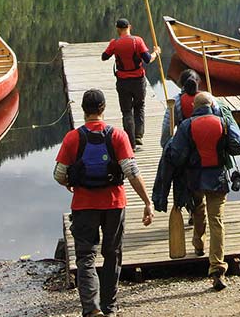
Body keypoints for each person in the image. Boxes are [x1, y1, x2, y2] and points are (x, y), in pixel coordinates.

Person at [53, 89, 153, 317]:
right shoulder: (118, 136)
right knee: (112, 254)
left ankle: (91, 309)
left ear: (83, 110)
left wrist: (69, 183)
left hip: (83, 205)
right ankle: (109, 308)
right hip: (114, 203)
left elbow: (59, 173)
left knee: (86, 257)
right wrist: (147, 202)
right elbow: (131, 171)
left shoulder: (73, 138)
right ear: (103, 109)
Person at [155, 91, 240, 291]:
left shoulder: (186, 126)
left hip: (194, 179)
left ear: (194, 107)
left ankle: (198, 244)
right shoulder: (222, 121)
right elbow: (238, 145)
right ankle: (217, 268)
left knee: (197, 211)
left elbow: (176, 156)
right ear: (212, 105)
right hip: (218, 179)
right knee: (217, 221)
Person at [101, 18, 160, 148]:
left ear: (117, 29)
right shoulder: (137, 41)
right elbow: (148, 59)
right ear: (130, 27)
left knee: (127, 111)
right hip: (138, 80)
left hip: (122, 81)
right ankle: (138, 135)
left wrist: (113, 50)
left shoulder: (114, 43)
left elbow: (104, 57)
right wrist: (156, 53)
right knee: (139, 106)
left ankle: (131, 142)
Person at [160, 68, 202, 148]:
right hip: (204, 139)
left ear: (181, 83)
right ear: (198, 82)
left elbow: (167, 126)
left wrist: (165, 144)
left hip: (184, 141)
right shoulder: (207, 98)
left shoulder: (175, 101)